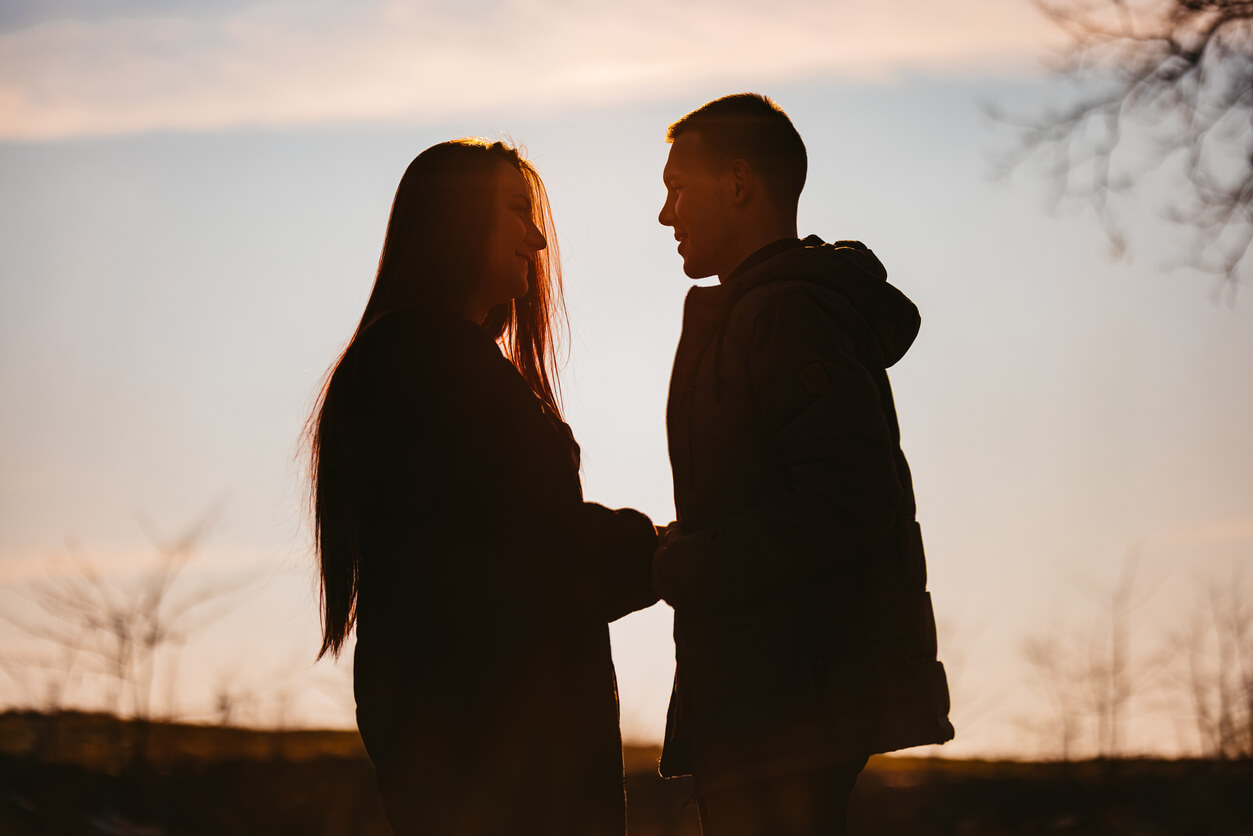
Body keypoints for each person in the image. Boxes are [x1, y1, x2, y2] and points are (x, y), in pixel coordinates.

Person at [306, 138, 659, 835]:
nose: (536, 238)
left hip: (481, 752)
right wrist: (660, 548)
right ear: (455, 222)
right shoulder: (427, 368)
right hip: (493, 762)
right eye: (515, 212)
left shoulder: (425, 362)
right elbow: (525, 555)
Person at [652, 94, 955, 835]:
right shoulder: (761, 313)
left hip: (788, 706)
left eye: (677, 187)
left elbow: (845, 499)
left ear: (738, 182)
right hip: (767, 699)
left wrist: (683, 566)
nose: (665, 214)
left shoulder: (785, 314)